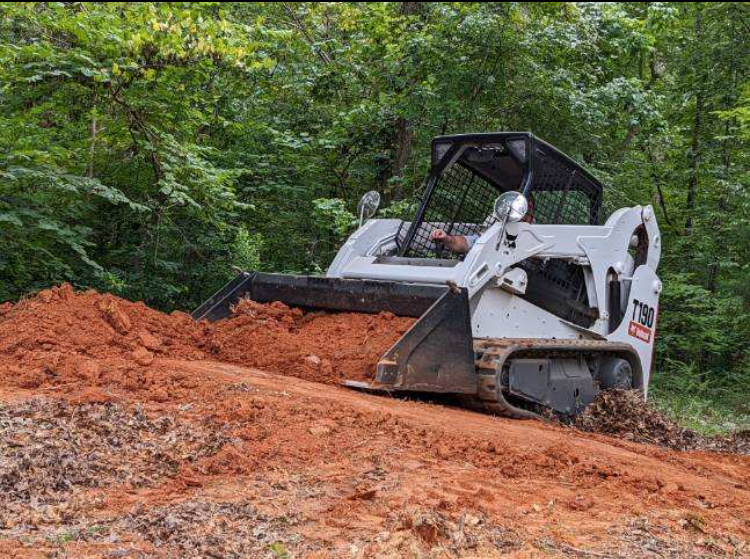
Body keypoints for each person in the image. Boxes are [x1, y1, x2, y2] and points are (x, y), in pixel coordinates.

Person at [429, 194, 534, 254]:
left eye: (527, 207)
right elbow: (471, 242)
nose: (523, 213)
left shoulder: (536, 233)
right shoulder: (496, 221)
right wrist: (446, 238)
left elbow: (538, 261)